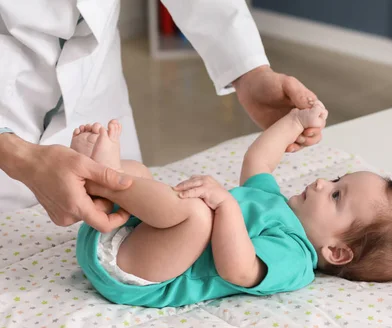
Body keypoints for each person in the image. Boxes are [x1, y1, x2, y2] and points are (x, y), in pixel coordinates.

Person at [73, 102, 392, 308]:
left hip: (138, 274)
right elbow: (259, 160)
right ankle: (106, 182)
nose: (323, 183)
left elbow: (240, 270)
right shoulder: (274, 202)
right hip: (120, 230)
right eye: (337, 179)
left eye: (337, 196)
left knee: (198, 215)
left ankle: (105, 179)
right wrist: (294, 121)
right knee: (143, 175)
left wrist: (226, 207)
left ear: (337, 252)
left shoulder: (295, 258)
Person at [0, 0, 321, 232]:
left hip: (94, 111)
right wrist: (18, 156)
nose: (322, 183)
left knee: (129, 194)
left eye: (337, 191)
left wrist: (248, 71)